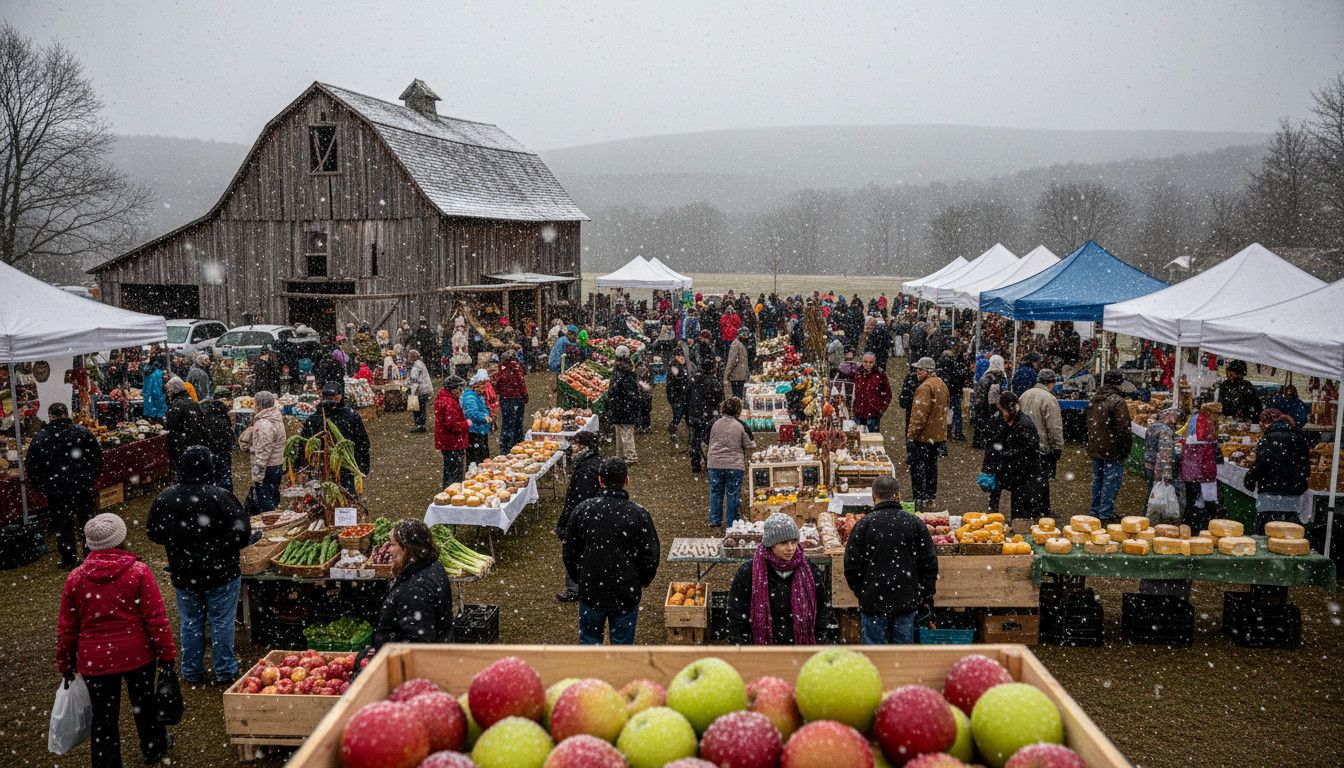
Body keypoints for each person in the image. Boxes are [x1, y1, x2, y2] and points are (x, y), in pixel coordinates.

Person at [56, 512, 176, 767]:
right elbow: (155, 618)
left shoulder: (76, 578)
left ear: (89, 544)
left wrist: (65, 663)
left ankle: (107, 762)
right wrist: (166, 653)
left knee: (103, 717)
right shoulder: (138, 572)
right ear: (121, 539)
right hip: (138, 655)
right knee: (144, 705)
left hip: (95, 661)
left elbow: (67, 628)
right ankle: (153, 747)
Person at [146, 445, 249, 685]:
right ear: (209, 468)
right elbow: (242, 534)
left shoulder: (167, 497)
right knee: (221, 621)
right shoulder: (220, 496)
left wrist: (179, 542)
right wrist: (220, 546)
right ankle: (224, 670)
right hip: (221, 572)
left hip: (185, 572)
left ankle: (191, 670)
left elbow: (154, 533)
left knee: (191, 621)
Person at [562, 459, 660, 644]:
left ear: (600, 480)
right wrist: (639, 581)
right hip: (625, 591)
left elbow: (570, 552)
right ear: (626, 481)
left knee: (589, 644)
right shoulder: (639, 514)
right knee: (622, 650)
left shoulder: (583, 510)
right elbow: (650, 557)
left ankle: (592, 673)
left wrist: (581, 578)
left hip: (592, 590)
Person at [843, 476, 938, 644]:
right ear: (898, 495)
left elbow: (851, 567)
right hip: (906, 603)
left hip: (873, 604)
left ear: (873, 496)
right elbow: (929, 565)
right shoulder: (915, 524)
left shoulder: (863, 525)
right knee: (902, 659)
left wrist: (864, 592)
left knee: (875, 660)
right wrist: (922, 595)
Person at [726, 513, 828, 645]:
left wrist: (819, 640)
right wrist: (745, 648)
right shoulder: (749, 572)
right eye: (784, 543)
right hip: (762, 652)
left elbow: (822, 609)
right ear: (771, 544)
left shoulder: (809, 570)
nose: (790, 548)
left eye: (794, 542)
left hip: (800, 649)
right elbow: (736, 615)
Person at [27, 402, 102, 568]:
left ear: (50, 416)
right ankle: (91, 554)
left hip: (57, 489)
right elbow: (96, 458)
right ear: (67, 414)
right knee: (87, 521)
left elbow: (32, 465)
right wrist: (89, 477)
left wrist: (43, 485)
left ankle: (69, 559)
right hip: (81, 485)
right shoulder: (83, 433)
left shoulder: (40, 438)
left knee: (63, 524)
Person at [371, 520, 454, 649]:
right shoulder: (432, 565)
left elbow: (417, 646)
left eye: (393, 545)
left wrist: (382, 654)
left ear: (408, 549)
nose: (388, 550)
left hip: (403, 663)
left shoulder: (415, 591)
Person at [554, 430, 602, 603]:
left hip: (583, 518)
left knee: (574, 551)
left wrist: (569, 521)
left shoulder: (586, 469)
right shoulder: (593, 462)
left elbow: (579, 499)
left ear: (584, 447)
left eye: (575, 444)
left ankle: (573, 589)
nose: (572, 448)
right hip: (591, 516)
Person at [1245, 411, 1312, 534]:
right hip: (1293, 498)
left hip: (1269, 496)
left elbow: (1261, 464)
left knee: (1265, 535)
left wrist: (1249, 480)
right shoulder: (1300, 440)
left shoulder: (1267, 439)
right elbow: (1306, 470)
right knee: (1290, 537)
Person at [978, 392, 1042, 520]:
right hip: (1005, 467)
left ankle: (1019, 525)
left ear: (1010, 409)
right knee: (994, 494)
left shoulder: (1025, 424)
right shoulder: (998, 420)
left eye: (1003, 410)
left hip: (1022, 471)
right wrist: (988, 468)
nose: (1002, 413)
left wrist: (1006, 454)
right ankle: (993, 519)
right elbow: (992, 444)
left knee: (1020, 505)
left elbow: (1029, 450)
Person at [300, 383, 372, 493]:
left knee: (324, 498)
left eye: (332, 396)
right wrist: (362, 467)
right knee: (345, 499)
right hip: (339, 468)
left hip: (325, 469)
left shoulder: (314, 419)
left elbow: (303, 445)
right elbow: (363, 444)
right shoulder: (350, 416)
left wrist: (301, 466)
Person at [1085, 369, 1133, 522]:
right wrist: (1125, 449)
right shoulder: (1117, 401)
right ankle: (1105, 513)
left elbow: (1089, 424)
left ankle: (1095, 511)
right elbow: (1124, 428)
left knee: (1098, 480)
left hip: (1097, 446)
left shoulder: (1095, 399)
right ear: (1118, 383)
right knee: (1110, 482)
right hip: (1112, 449)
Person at [1018, 368, 1065, 517]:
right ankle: (1042, 510)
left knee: (1027, 479)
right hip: (1041, 446)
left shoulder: (1024, 395)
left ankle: (1029, 508)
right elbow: (1054, 426)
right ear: (1051, 383)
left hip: (1024, 445)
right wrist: (1057, 447)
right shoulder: (1049, 399)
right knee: (1042, 480)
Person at [905, 357, 948, 510]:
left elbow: (919, 415)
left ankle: (920, 500)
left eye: (920, 370)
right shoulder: (941, 384)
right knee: (931, 468)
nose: (917, 372)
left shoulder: (924, 388)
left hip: (923, 438)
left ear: (928, 371)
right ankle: (930, 497)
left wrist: (911, 435)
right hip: (936, 438)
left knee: (918, 470)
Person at [707, 397, 755, 528]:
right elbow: (748, 444)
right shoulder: (739, 426)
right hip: (734, 464)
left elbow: (706, 438)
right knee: (733, 494)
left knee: (716, 492)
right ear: (738, 411)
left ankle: (714, 519)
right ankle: (731, 522)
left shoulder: (714, 423)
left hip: (714, 463)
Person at [239, 391, 285, 513]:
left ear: (259, 405)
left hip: (267, 468)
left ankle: (269, 525)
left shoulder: (263, 424)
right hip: (276, 464)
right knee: (273, 497)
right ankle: (275, 520)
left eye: (255, 403)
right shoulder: (275, 417)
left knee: (265, 503)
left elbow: (262, 453)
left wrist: (257, 475)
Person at [1180, 401, 1222, 533]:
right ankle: (1198, 532)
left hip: (1189, 472)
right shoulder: (1207, 429)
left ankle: (1187, 530)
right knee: (1202, 507)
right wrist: (1210, 477)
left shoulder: (1194, 420)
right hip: (1201, 476)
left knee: (1191, 504)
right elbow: (1208, 459)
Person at [1141, 406, 1183, 524]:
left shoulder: (1152, 427)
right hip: (1157, 468)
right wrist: (1166, 475)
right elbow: (1165, 455)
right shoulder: (1166, 431)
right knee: (1155, 495)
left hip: (1148, 464)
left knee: (1151, 493)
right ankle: (1152, 521)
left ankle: (1145, 519)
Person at [687, 357, 725, 474]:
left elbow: (687, 398)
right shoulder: (713, 382)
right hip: (708, 415)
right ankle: (710, 462)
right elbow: (719, 398)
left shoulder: (693, 380)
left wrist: (689, 413)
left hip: (695, 414)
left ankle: (696, 463)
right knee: (709, 439)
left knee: (696, 439)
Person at [164, 376, 206, 473]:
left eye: (169, 390)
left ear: (173, 390)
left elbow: (171, 425)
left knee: (182, 470)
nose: (167, 393)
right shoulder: (192, 402)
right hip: (194, 441)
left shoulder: (176, 404)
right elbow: (201, 420)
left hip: (181, 444)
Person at [198, 391, 237, 495]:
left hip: (210, 452)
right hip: (224, 452)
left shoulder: (205, 420)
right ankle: (227, 497)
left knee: (211, 477)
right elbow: (231, 438)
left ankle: (213, 497)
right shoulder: (224, 420)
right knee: (225, 476)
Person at [434, 375, 470, 486]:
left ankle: (447, 486)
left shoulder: (443, 399)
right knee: (456, 469)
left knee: (449, 466)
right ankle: (454, 489)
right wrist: (466, 424)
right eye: (459, 388)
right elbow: (452, 425)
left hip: (445, 440)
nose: (461, 391)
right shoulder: (450, 402)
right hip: (452, 441)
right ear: (453, 389)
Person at [496, 346, 529, 453]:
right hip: (516, 398)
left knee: (507, 423)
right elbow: (521, 381)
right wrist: (525, 396)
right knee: (517, 423)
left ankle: (505, 447)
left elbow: (496, 384)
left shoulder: (501, 368)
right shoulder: (515, 366)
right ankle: (516, 444)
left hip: (505, 398)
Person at [971, 354, 1006, 449]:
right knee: (986, 424)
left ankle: (978, 441)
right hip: (986, 404)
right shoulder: (996, 375)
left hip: (980, 402)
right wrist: (995, 408)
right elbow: (993, 393)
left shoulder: (987, 374)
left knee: (980, 423)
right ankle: (983, 442)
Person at [852, 352, 893, 434]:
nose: (868, 364)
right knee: (858, 438)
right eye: (865, 362)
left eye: (871, 362)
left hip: (873, 414)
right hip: (859, 413)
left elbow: (888, 394)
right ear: (862, 361)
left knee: (873, 441)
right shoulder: (857, 372)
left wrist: (880, 410)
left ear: (874, 363)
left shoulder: (880, 374)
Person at [462, 370, 493, 467]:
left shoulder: (477, 395)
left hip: (481, 431)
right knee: (476, 459)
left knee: (483, 457)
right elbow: (472, 414)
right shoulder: (470, 397)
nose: (484, 388)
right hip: (475, 432)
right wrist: (486, 419)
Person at [936, 350, 969, 441]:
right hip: (955, 393)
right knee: (957, 413)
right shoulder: (955, 366)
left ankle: (946, 431)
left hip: (945, 393)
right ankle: (957, 433)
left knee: (944, 413)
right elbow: (962, 377)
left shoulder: (940, 368)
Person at [666, 348, 691, 440]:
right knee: (678, 415)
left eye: (684, 356)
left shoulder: (685, 366)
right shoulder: (673, 367)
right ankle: (672, 431)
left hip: (684, 396)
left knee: (687, 414)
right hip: (676, 396)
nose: (683, 358)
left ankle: (689, 432)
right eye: (681, 356)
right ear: (676, 357)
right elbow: (674, 382)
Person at [406, 349, 433, 433]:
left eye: (409, 356)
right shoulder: (421, 363)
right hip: (425, 389)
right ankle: (422, 424)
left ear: (412, 357)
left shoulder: (416, 366)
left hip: (420, 390)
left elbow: (414, 378)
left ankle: (419, 425)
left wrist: (408, 384)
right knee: (422, 408)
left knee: (417, 409)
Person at [725, 328, 750, 400]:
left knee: (738, 397)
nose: (746, 337)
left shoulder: (738, 344)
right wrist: (727, 374)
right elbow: (732, 361)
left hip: (739, 376)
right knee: (738, 397)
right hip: (737, 376)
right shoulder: (736, 344)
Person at [141, 357, 167, 421]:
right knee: (158, 422)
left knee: (149, 421)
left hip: (149, 399)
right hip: (159, 399)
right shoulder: (160, 373)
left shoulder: (147, 371)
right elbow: (162, 387)